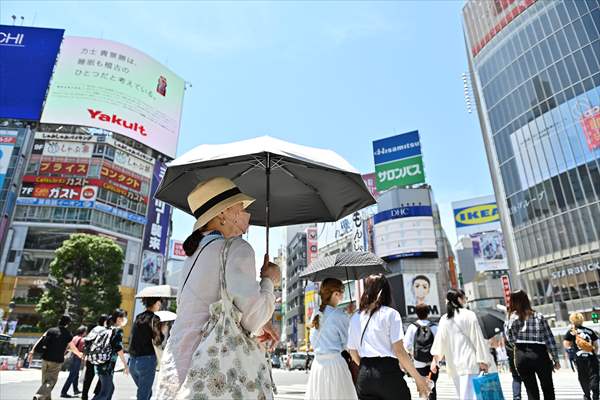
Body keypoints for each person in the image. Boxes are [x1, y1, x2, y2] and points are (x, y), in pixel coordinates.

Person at [156, 177, 281, 398]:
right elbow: (253, 317)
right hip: (213, 369)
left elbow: (212, 307)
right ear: (222, 212)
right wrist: (269, 281)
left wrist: (262, 326)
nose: (246, 213)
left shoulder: (194, 254)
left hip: (177, 365)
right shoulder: (237, 248)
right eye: (240, 206)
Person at [348, 273, 430, 399]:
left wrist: (368, 368)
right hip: (387, 373)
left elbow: (353, 353)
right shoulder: (391, 314)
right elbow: (399, 351)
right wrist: (418, 378)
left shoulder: (355, 317)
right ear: (386, 291)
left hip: (364, 375)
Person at [430, 289, 493, 400]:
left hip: (454, 365)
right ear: (459, 299)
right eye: (464, 298)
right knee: (475, 396)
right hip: (471, 363)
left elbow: (440, 341)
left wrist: (435, 360)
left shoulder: (444, 319)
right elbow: (477, 339)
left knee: (463, 396)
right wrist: (483, 360)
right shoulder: (469, 315)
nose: (465, 300)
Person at [305, 278, 357, 400]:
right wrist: (351, 317)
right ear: (335, 293)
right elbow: (348, 344)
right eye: (342, 292)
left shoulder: (315, 314)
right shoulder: (340, 315)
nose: (342, 296)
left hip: (317, 366)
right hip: (335, 365)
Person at [504, 290, 559, 400]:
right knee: (548, 388)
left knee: (531, 391)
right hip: (539, 353)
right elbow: (549, 338)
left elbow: (509, 339)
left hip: (521, 355)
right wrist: (555, 358)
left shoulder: (510, 318)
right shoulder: (538, 316)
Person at [30, 315, 84, 400]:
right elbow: (72, 348)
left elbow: (40, 340)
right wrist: (80, 354)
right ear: (68, 324)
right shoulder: (67, 334)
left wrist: (32, 351)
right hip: (56, 361)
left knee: (45, 382)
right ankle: (39, 396)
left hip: (45, 359)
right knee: (51, 381)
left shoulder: (50, 330)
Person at [129, 297, 164, 400]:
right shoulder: (154, 318)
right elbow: (158, 340)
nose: (160, 306)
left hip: (133, 361)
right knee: (143, 394)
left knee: (145, 391)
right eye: (159, 304)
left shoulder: (138, 317)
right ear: (156, 303)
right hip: (147, 359)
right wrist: (163, 331)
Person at [92, 309, 129, 400]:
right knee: (105, 393)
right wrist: (125, 365)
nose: (125, 319)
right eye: (124, 317)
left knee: (110, 389)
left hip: (101, 362)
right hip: (107, 365)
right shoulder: (117, 331)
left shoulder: (107, 329)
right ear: (119, 319)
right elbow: (119, 348)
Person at [404, 303, 438, 400]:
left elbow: (406, 345)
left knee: (421, 388)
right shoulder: (434, 327)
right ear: (428, 313)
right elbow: (439, 345)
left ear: (416, 313)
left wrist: (413, 353)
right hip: (433, 363)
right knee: (433, 387)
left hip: (418, 362)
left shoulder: (412, 327)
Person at [563, 312, 599, 400]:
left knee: (583, 377)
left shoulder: (571, 332)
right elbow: (596, 346)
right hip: (591, 357)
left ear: (572, 320)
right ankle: (595, 394)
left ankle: (587, 395)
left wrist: (572, 352)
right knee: (594, 375)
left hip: (579, 358)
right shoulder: (590, 331)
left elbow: (566, 344)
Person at [82, 314, 108, 400]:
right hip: (100, 356)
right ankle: (97, 394)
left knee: (88, 376)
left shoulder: (94, 329)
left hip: (90, 355)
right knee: (102, 375)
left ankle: (84, 395)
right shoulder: (105, 330)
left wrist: (85, 353)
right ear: (105, 321)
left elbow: (87, 341)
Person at [61, 325, 88, 398]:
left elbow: (68, 347)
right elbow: (82, 350)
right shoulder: (82, 339)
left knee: (75, 375)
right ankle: (64, 392)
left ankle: (75, 390)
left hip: (71, 357)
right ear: (84, 332)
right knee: (72, 375)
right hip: (77, 358)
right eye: (86, 331)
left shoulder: (74, 337)